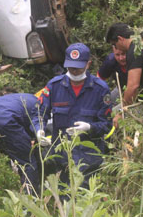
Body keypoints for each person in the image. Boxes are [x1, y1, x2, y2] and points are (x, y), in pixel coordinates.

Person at [31, 43, 112, 192]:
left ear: (88, 64)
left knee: (84, 199)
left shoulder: (100, 89)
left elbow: (106, 125)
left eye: (78, 67)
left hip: (88, 158)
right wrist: (39, 130)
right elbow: (39, 114)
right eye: (71, 67)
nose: (74, 71)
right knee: (63, 198)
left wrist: (90, 128)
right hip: (61, 157)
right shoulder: (54, 86)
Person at [0, 93, 42, 193]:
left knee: (1, 158)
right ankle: (30, 200)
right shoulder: (43, 107)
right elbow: (38, 131)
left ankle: (4, 191)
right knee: (29, 162)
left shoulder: (28, 98)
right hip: (6, 120)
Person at [104, 23, 143, 106]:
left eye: (114, 44)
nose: (116, 48)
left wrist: (122, 111)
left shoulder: (133, 50)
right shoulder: (139, 43)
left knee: (113, 116)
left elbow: (133, 86)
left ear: (120, 39)